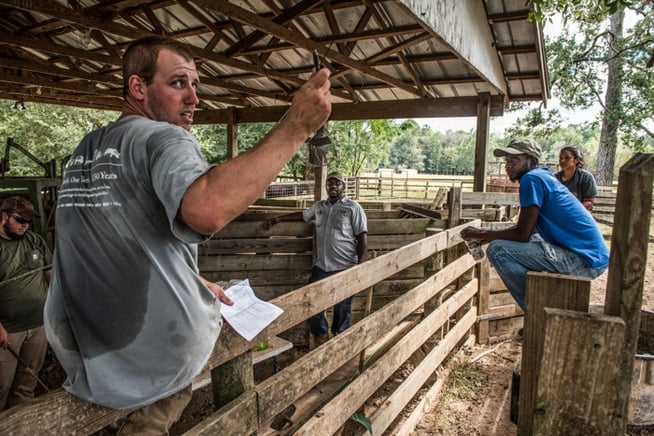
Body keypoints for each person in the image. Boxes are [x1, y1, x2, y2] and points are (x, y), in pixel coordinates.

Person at [44, 36, 331, 433]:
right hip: (153, 356)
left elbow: (117, 238)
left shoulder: (87, 150)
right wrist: (296, 126)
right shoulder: (164, 138)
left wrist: (189, 279)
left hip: (83, 354)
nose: (194, 97)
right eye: (178, 83)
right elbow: (206, 210)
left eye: (195, 85)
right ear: (138, 88)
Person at [460, 138, 609, 310]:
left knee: (498, 251)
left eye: (515, 160)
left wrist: (482, 234)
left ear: (532, 162)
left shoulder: (531, 179)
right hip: (592, 256)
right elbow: (528, 232)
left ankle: (539, 310)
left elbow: (521, 234)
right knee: (527, 241)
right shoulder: (543, 176)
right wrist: (487, 235)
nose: (509, 165)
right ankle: (546, 303)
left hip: (583, 259)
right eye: (507, 161)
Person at [263, 172, 367, 345]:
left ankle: (340, 341)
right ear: (326, 187)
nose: (333, 186)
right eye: (329, 183)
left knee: (342, 308)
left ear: (343, 186)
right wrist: (278, 219)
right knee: (311, 303)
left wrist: (361, 268)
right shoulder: (320, 206)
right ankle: (321, 336)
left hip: (345, 266)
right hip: (322, 267)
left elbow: (362, 238)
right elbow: (303, 215)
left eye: (337, 183)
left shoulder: (353, 208)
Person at [0, 196, 52, 411]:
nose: (25, 225)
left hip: (38, 324)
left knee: (28, 381)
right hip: (8, 330)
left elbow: (50, 274)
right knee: (2, 384)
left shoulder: (34, 240)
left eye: (28, 221)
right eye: (20, 219)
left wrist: (56, 308)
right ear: (4, 216)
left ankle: (22, 426)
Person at [555, 145, 598, 211]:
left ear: (576, 160)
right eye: (561, 158)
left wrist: (572, 211)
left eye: (567, 158)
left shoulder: (586, 177)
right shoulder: (554, 178)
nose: (563, 161)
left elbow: (589, 201)